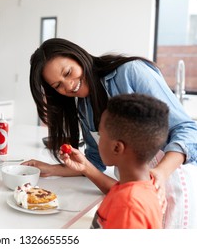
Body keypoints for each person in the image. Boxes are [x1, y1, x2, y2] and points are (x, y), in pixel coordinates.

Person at [23, 38, 197, 228]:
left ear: (78, 57)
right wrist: (52, 169)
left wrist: (161, 174)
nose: (68, 85)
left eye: (68, 73)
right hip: (141, 189)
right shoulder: (83, 106)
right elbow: (94, 162)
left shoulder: (131, 72)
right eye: (58, 86)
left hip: (173, 179)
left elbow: (187, 129)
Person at [62, 93, 167, 228]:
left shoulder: (128, 207)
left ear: (117, 147)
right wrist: (85, 167)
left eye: (100, 135)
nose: (98, 141)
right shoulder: (141, 185)